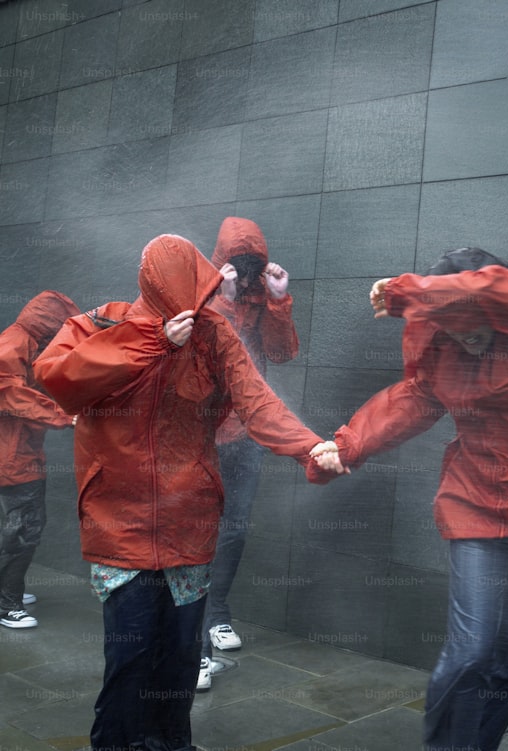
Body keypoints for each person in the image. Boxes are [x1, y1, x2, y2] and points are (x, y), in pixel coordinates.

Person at [33, 234, 343, 751]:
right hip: (119, 519)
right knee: (130, 655)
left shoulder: (214, 332)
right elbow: (58, 378)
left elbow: (256, 401)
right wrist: (153, 343)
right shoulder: (99, 324)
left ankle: (173, 743)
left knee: (179, 652)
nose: (193, 310)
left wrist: (309, 448)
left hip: (189, 515)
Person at [328, 248, 508, 751]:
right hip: (476, 508)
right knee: (469, 652)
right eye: (448, 322)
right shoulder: (442, 353)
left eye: (469, 319)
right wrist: (348, 445)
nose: (462, 332)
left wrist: (415, 292)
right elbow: (411, 400)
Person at [199, 216, 300, 689]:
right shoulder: (205, 291)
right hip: (202, 433)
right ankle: (193, 633)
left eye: (253, 263)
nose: (246, 269)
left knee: (234, 527)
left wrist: (278, 300)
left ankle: (217, 615)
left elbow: (281, 355)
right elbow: (196, 345)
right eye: (238, 261)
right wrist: (221, 294)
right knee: (197, 530)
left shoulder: (263, 297)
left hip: (247, 433)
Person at [0, 291, 80, 628]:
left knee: (16, 527)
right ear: (50, 326)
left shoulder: (20, 340)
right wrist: (63, 415)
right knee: (24, 528)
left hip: (17, 452)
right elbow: (10, 393)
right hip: (14, 457)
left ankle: (7, 589)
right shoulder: (15, 345)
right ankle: (7, 603)